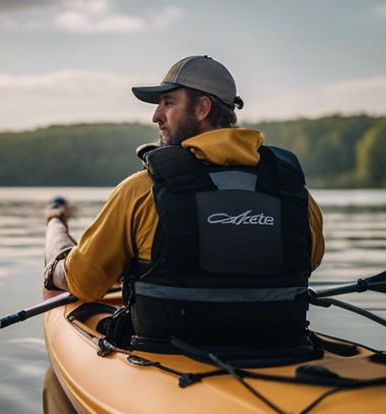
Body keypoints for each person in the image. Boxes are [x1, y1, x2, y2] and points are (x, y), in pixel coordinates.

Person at [44, 55, 324, 348]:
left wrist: (56, 269)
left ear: (203, 108)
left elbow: (85, 281)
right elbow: (309, 260)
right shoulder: (292, 189)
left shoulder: (143, 189)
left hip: (169, 355)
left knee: (75, 300)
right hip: (284, 348)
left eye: (168, 102)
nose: (156, 115)